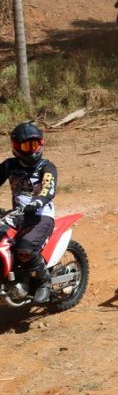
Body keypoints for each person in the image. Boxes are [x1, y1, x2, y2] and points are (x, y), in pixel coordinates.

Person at [0, 122, 58, 304]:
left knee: (25, 249)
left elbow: (48, 188)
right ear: (17, 147)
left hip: (41, 215)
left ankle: (44, 282)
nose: (33, 150)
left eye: (36, 144)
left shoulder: (46, 167)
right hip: (17, 215)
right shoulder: (9, 165)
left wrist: (38, 202)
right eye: (27, 146)